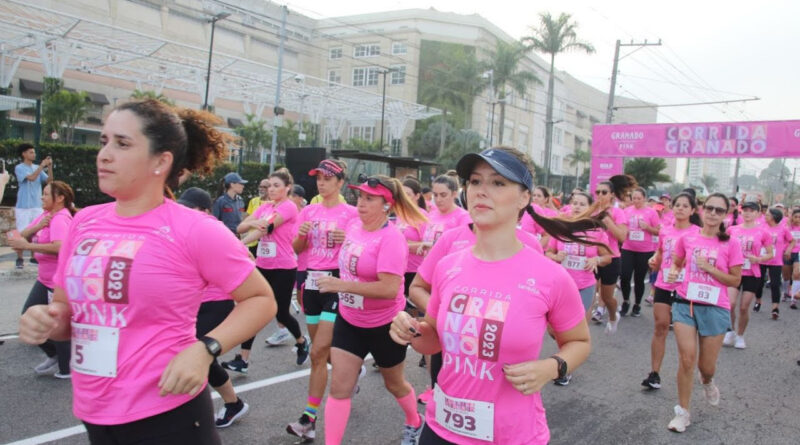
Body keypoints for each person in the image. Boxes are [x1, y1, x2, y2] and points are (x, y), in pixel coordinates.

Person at [18, 99, 276, 445]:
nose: (105, 154)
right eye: (103, 141)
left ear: (161, 161)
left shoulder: (195, 229)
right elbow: (66, 313)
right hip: (94, 410)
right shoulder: (85, 223)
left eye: (122, 143)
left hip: (168, 413)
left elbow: (260, 299)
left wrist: (206, 349)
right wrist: (45, 319)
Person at [391, 147, 592, 444]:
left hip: (512, 434)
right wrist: (410, 330)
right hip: (441, 428)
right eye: (475, 181)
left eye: (498, 183)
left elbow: (579, 341)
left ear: (524, 197)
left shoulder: (549, 276)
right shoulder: (448, 266)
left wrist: (552, 367)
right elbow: (433, 339)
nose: (481, 191)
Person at [319, 174, 427, 445]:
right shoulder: (354, 226)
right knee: (340, 388)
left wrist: (339, 284)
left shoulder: (392, 239)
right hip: (350, 319)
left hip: (386, 325)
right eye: (360, 197)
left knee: (395, 384)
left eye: (370, 198)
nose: (361, 203)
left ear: (387, 205)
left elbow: (390, 289)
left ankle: (415, 421)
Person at [286, 159, 358, 441]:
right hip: (311, 281)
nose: (321, 183)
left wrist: (348, 237)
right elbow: (296, 248)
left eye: (328, 178)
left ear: (340, 182)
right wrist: (301, 237)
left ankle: (308, 418)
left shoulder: (351, 214)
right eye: (318, 178)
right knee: (322, 354)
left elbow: (361, 248)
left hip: (337, 282)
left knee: (317, 352)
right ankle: (352, 369)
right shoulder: (309, 211)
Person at [666, 192, 742, 433]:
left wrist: (710, 268)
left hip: (715, 307)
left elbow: (735, 279)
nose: (712, 213)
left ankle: (708, 381)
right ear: (701, 209)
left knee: (705, 367)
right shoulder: (687, 238)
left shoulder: (731, 243)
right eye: (709, 208)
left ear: (726, 215)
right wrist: (673, 272)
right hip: (685, 303)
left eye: (718, 210)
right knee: (687, 360)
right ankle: (682, 413)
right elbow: (677, 262)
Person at [177, 187, 250, 428]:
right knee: (197, 355)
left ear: (207, 211)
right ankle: (232, 404)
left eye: (190, 207)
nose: (184, 211)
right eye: (182, 206)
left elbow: (247, 258)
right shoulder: (183, 230)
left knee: (199, 352)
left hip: (218, 302)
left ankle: (228, 404)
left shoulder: (214, 230)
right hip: (193, 303)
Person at [230, 170, 309, 373]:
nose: (271, 189)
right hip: (262, 265)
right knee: (254, 309)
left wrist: (240, 243)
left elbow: (266, 228)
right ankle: (243, 359)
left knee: (281, 312)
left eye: (276, 185)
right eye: (269, 186)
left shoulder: (289, 207)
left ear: (287, 188)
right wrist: (251, 225)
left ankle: (301, 341)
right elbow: (241, 226)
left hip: (283, 266)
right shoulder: (264, 207)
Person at [10, 180, 76, 378]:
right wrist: (37, 226)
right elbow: (21, 236)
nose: (42, 197)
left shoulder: (60, 219)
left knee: (56, 323)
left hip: (56, 282)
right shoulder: (46, 216)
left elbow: (60, 247)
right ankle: (55, 356)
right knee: (28, 318)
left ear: (60, 198)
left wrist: (28, 247)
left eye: (46, 194)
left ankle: (67, 367)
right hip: (43, 279)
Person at [642, 193, 700, 390]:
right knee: (661, 326)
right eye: (677, 205)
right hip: (665, 283)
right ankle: (654, 373)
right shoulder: (665, 231)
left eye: (685, 206)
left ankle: (690, 369)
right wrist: (654, 259)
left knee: (687, 334)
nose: (680, 208)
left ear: (693, 210)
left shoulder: (698, 233)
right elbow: (659, 252)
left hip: (688, 287)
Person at [546, 191, 612, 326]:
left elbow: (607, 257)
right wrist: (555, 256)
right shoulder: (561, 226)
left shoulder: (596, 230)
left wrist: (596, 260)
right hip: (561, 284)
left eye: (582, 204)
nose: (577, 207)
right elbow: (548, 253)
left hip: (585, 285)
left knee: (579, 327)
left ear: (589, 208)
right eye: (575, 203)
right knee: (554, 328)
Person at [724, 201, 773, 347]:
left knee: (744, 306)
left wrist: (758, 259)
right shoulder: (732, 230)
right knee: (730, 304)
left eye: (751, 211)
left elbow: (771, 254)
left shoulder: (763, 232)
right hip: (734, 271)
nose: (747, 213)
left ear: (758, 214)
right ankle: (730, 331)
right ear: (741, 212)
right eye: (745, 210)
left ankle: (740, 335)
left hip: (752, 272)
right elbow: (724, 247)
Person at [592, 175, 635, 332]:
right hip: (593, 258)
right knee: (590, 296)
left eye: (604, 192)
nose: (600, 195)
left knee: (607, 297)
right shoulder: (591, 211)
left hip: (612, 258)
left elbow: (622, 236)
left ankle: (612, 315)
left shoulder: (618, 212)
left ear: (611, 194)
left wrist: (608, 221)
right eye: (598, 192)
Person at [620, 187, 661, 317]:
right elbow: (621, 227)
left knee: (639, 278)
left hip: (644, 251)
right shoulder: (626, 211)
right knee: (625, 276)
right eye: (634, 198)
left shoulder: (651, 212)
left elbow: (658, 231)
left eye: (639, 198)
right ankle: (626, 301)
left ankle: (637, 304)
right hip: (628, 248)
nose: (636, 200)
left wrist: (647, 227)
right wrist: (624, 231)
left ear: (644, 198)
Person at [14, 142, 53, 269]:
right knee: (22, 232)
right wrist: (42, 166)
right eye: (31, 152)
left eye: (34, 152)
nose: (34, 154)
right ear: (24, 154)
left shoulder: (37, 167)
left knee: (36, 231)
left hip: (37, 205)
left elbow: (49, 181)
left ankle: (33, 257)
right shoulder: (19, 168)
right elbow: (31, 178)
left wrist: (50, 167)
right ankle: (19, 258)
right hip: (23, 206)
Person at [756, 208, 794, 315]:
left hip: (776, 261)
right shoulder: (761, 227)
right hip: (761, 259)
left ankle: (775, 308)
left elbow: (792, 241)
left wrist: (788, 249)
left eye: (768, 215)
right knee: (759, 284)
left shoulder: (783, 229)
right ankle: (758, 300)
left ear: (774, 217)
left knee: (775, 284)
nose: (765, 216)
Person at [244, 178, 270, 257]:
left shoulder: (274, 203)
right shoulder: (253, 201)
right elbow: (246, 220)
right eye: (260, 187)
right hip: (253, 240)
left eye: (264, 187)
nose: (261, 189)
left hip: (267, 241)